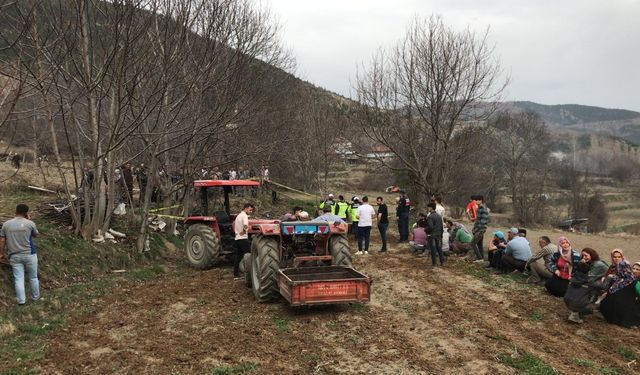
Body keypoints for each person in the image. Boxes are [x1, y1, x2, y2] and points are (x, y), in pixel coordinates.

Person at [0, 204, 40, 305]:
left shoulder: (6, 224)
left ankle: (21, 301)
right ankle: (36, 298)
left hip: (14, 255)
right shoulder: (30, 223)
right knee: (33, 277)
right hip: (30, 254)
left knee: (18, 278)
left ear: (15, 211)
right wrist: (29, 220)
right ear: (26, 213)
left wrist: (1, 253)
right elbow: (36, 235)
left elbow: (2, 240)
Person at [599, 255, 640, 328]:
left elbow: (608, 291)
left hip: (609, 313)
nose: (634, 271)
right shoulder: (634, 282)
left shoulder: (614, 278)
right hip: (624, 315)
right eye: (633, 268)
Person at [233, 203, 254, 280]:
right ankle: (250, 274)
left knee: (238, 256)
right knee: (249, 255)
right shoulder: (244, 216)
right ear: (245, 208)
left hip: (237, 238)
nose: (251, 211)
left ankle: (236, 275)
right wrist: (244, 231)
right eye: (250, 210)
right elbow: (245, 225)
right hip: (243, 238)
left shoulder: (238, 216)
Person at [471, 195, 489, 261]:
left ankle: (480, 258)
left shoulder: (483, 209)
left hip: (480, 230)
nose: (475, 201)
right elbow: (477, 220)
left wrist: (475, 230)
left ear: (481, 200)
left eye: (477, 200)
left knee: (472, 244)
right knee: (479, 244)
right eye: (475, 200)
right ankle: (481, 258)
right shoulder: (479, 208)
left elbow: (482, 222)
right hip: (478, 229)